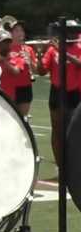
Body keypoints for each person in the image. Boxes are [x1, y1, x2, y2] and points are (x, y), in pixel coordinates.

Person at [37, 33, 81, 167]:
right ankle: (60, 165)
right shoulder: (52, 50)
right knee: (57, 130)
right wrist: (39, 54)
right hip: (57, 92)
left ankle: (73, 164)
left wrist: (62, 51)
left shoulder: (78, 47)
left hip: (73, 93)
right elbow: (42, 71)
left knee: (74, 130)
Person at [9, 21, 37, 116]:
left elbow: (35, 69)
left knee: (23, 118)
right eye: (16, 30)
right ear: (10, 33)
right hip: (10, 87)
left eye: (21, 30)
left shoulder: (28, 49)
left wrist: (29, 60)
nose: (20, 33)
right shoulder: (6, 48)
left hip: (25, 87)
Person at [0, 30, 25, 102]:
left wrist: (2, 60)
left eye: (9, 42)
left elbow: (16, 72)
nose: (7, 44)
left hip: (8, 101)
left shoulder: (17, 57)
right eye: (4, 42)